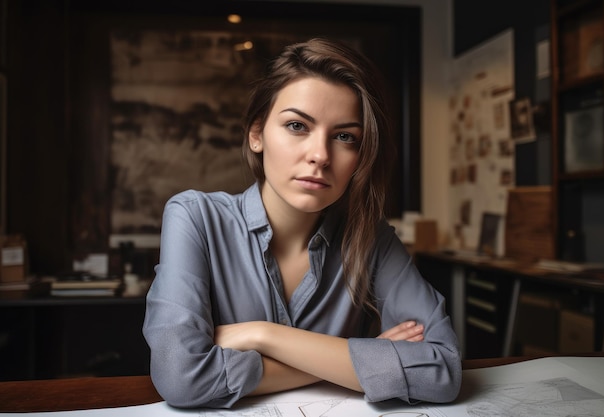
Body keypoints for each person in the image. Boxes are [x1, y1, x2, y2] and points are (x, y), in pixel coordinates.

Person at [143, 37, 461, 409]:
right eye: (297, 126)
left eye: (345, 137)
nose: (320, 155)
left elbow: (444, 371)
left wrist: (261, 335)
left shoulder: (372, 237)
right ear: (257, 134)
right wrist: (360, 358)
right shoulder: (194, 217)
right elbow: (181, 378)